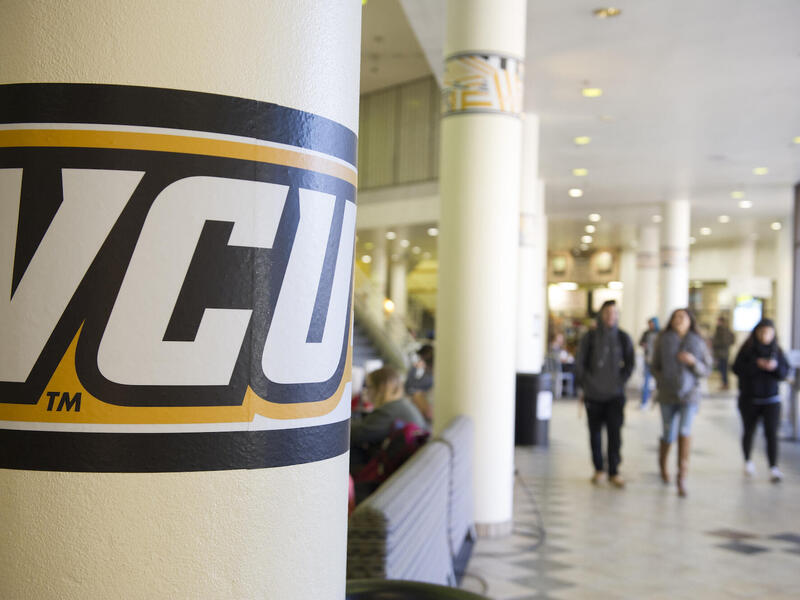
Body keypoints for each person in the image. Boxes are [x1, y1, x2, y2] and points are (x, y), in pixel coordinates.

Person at [651, 308, 711, 497]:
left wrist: (693, 362)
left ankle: (681, 477)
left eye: (682, 317)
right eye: (675, 317)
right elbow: (654, 366)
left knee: (685, 431)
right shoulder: (663, 339)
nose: (679, 320)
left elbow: (707, 368)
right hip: (667, 394)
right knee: (668, 434)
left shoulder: (697, 341)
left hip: (689, 395)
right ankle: (663, 466)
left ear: (690, 321)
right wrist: (662, 379)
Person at [575, 300, 635, 487]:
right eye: (608, 312)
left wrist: (620, 381)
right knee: (595, 433)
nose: (611, 316)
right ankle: (599, 469)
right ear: (601, 314)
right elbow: (579, 363)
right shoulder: (590, 337)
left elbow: (630, 363)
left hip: (615, 395)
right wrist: (587, 383)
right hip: (593, 395)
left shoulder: (623, 337)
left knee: (615, 434)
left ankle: (614, 471)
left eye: (614, 313)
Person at [731, 319, 790, 483]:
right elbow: (736, 369)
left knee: (771, 433)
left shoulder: (777, 351)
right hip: (749, 399)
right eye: (762, 332)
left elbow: (784, 372)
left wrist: (774, 367)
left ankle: (773, 467)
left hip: (771, 400)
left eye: (769, 332)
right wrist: (757, 365)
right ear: (756, 333)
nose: (765, 336)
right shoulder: (747, 350)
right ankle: (748, 461)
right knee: (749, 431)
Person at [351, 366, 427, 469]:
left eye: (368, 386)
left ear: (380, 389)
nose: (366, 391)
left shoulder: (388, 411)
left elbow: (356, 434)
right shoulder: (401, 404)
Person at [405, 344, 434, 423]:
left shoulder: (431, 375)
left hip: (428, 415)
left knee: (416, 395)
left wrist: (414, 368)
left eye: (420, 358)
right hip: (426, 412)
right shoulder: (428, 373)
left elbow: (409, 386)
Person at [639, 317, 659, 408]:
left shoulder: (660, 333)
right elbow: (640, 342)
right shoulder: (646, 333)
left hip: (657, 361)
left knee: (659, 383)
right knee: (646, 382)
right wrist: (643, 344)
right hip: (647, 360)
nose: (650, 325)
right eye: (649, 324)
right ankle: (644, 402)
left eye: (652, 323)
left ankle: (657, 401)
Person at [712, 316, 736, 391]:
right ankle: (724, 383)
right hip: (723, 353)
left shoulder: (722, 330)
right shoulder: (726, 329)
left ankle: (725, 384)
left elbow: (723, 341)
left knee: (723, 369)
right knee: (722, 369)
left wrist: (714, 343)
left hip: (722, 353)